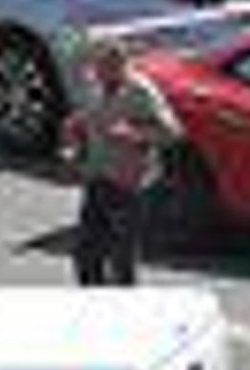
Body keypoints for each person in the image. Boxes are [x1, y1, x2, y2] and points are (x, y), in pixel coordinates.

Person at [62, 36, 179, 288]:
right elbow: (84, 118)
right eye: (97, 67)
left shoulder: (141, 91)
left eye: (107, 68)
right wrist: (74, 135)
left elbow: (172, 132)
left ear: (121, 65)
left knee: (122, 258)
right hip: (97, 177)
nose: (99, 73)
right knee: (86, 254)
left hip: (129, 184)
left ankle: (125, 311)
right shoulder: (93, 86)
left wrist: (134, 134)